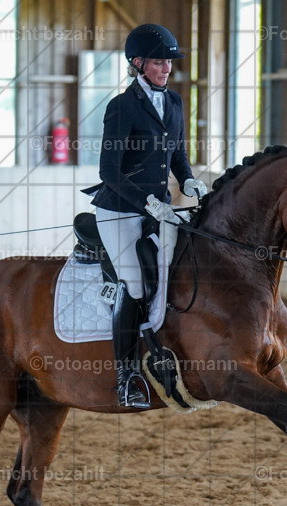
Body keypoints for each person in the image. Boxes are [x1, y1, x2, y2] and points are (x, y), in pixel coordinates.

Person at [87, 24, 207, 408]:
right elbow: (109, 171)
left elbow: (177, 157)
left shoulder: (174, 103)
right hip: (119, 211)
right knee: (135, 284)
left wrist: (189, 183)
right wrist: (147, 203)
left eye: (169, 61)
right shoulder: (122, 107)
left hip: (159, 209)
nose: (166, 68)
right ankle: (125, 377)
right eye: (158, 62)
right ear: (138, 64)